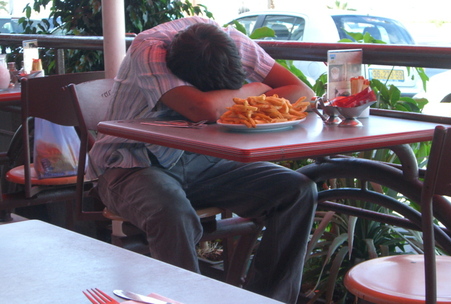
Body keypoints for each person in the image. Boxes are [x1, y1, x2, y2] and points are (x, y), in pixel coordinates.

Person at [88, 16, 317, 304]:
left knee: (296, 191)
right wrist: (254, 89)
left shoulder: (235, 42)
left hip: (203, 160)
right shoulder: (149, 49)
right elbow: (202, 108)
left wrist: (230, 98)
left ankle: (268, 299)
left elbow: (302, 93)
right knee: (171, 210)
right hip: (130, 162)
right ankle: (184, 300)